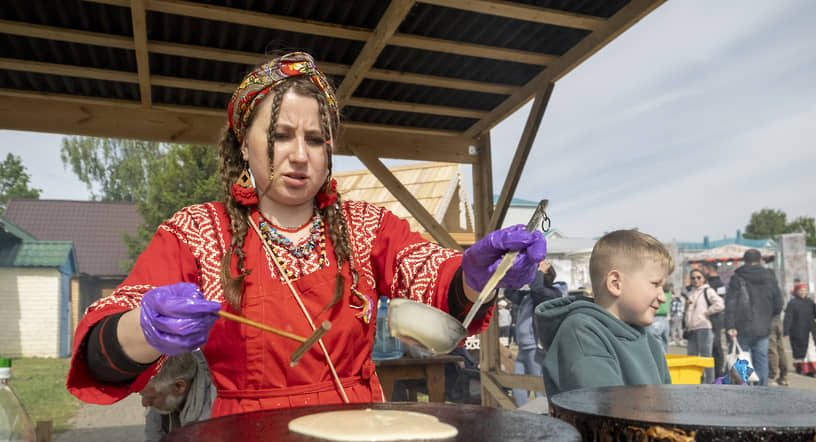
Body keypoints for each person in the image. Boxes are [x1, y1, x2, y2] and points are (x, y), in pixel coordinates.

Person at [65, 51, 547, 417]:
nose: (300, 155)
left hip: (357, 431)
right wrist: (145, 330)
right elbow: (101, 350)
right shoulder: (196, 232)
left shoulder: (368, 226)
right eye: (280, 135)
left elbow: (438, 288)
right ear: (244, 144)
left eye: (315, 139)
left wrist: (477, 273)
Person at [536, 230, 673, 398]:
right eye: (655, 284)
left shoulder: (648, 340)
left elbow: (665, 401)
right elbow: (609, 412)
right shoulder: (581, 333)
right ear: (615, 283)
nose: (662, 297)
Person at [724, 249, 783, 386]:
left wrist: (730, 326)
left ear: (744, 261)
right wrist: (768, 316)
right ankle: (762, 389)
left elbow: (731, 304)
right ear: (760, 260)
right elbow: (778, 304)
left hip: (741, 326)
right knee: (762, 359)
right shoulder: (770, 277)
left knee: (742, 357)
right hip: (763, 327)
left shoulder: (738, 277)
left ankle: (744, 388)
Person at [140, 351, 215, 442]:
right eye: (143, 396)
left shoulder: (214, 403)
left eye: (151, 398)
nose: (144, 403)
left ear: (179, 387)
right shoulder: (160, 394)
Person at [510, 260, 562, 406]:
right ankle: (523, 412)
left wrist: (539, 271)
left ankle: (546, 414)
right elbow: (509, 293)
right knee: (518, 384)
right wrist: (516, 273)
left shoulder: (552, 293)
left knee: (539, 385)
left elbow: (537, 289)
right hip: (523, 347)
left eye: (536, 272)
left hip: (536, 347)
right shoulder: (529, 295)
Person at [684, 270, 724, 383]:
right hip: (691, 329)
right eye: (693, 278)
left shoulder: (708, 291)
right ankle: (695, 380)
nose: (695, 280)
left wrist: (707, 312)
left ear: (703, 279)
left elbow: (720, 304)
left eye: (698, 277)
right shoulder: (690, 292)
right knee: (691, 357)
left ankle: (710, 382)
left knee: (706, 357)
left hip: (704, 327)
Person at [783, 283, 816, 377]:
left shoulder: (810, 302)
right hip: (798, 331)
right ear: (796, 292)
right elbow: (788, 318)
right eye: (801, 290)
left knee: (811, 349)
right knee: (801, 351)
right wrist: (786, 332)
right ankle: (804, 368)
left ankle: (812, 368)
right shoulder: (792, 303)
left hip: (810, 330)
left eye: (805, 290)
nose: (803, 292)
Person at [701, 262, 726, 377]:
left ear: (709, 269)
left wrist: (707, 311)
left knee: (715, 345)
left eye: (703, 269)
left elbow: (721, 301)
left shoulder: (718, 284)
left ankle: (718, 372)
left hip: (715, 318)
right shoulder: (706, 283)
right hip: (706, 319)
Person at [646, 282, 671, 353]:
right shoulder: (668, 290)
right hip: (665, 319)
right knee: (664, 342)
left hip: (656, 317)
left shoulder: (658, 290)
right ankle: (666, 360)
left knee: (656, 343)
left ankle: (660, 361)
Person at [767, 311, 790, 386]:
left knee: (772, 350)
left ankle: (771, 375)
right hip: (778, 321)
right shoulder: (779, 298)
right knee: (781, 350)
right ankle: (784, 376)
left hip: (770, 321)